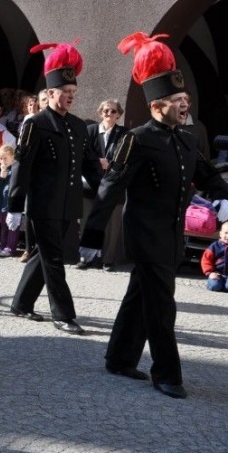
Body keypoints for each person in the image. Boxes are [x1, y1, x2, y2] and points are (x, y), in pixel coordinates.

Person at [80, 32, 228, 399]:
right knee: (162, 302)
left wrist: (225, 201)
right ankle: (168, 373)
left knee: (139, 296)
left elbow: (207, 175)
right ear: (157, 105)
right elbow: (110, 188)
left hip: (172, 235)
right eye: (177, 100)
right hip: (145, 235)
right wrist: (92, 238)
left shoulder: (189, 138)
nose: (184, 104)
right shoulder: (138, 139)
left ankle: (118, 358)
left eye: (186, 99)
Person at [6, 40, 102, 335]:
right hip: (43, 203)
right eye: (65, 93)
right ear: (50, 93)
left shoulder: (77, 125)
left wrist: (106, 188)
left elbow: (88, 164)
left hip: (68, 202)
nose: (70, 97)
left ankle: (21, 303)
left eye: (73, 93)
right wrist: (14, 205)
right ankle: (63, 314)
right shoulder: (36, 123)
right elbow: (22, 165)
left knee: (44, 254)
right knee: (53, 258)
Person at [76, 99, 128, 270]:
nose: (108, 114)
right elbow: (83, 154)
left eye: (113, 111)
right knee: (87, 222)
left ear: (118, 115)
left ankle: (108, 259)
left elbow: (126, 157)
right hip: (90, 184)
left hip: (113, 185)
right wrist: (98, 162)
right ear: (100, 113)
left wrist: (111, 164)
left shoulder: (123, 134)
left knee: (112, 225)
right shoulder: (90, 131)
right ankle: (86, 258)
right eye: (105, 110)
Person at [0, 144, 19, 256]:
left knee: (12, 227)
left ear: (12, 156)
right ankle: (3, 246)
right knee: (4, 226)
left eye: (5, 158)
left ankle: (10, 248)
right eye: (1, 158)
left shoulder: (16, 168)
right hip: (2, 204)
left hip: (12, 203)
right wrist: (1, 176)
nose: (3, 161)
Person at [202, 221, 228, 292]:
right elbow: (206, 260)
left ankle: (224, 285)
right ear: (220, 233)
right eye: (226, 233)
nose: (227, 236)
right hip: (216, 274)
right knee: (215, 286)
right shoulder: (214, 246)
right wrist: (210, 273)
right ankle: (212, 283)